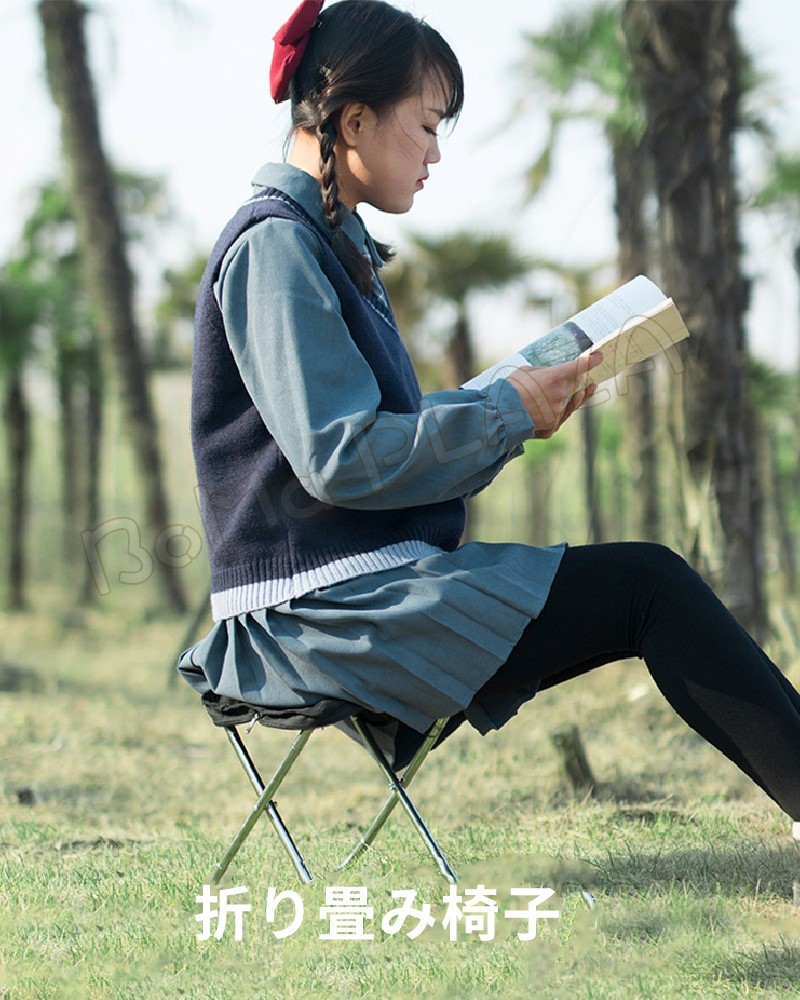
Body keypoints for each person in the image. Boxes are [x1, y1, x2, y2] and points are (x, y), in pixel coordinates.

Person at [179, 0, 800, 853]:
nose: (436, 153)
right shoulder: (276, 248)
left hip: (365, 584)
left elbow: (372, 434)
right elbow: (341, 457)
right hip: (316, 614)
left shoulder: (328, 242)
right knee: (651, 585)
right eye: (427, 126)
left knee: (650, 585)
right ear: (353, 120)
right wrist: (504, 411)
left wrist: (508, 411)